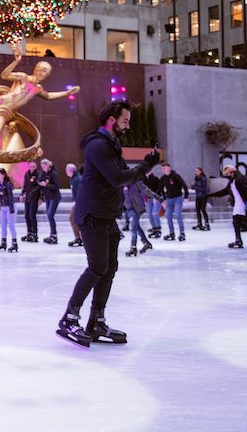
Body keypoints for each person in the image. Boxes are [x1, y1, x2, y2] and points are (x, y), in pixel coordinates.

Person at [56, 101, 160, 348]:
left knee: (109, 267)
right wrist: (146, 166)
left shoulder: (112, 144)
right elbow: (116, 178)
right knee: (97, 267)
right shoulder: (97, 145)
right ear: (111, 120)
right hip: (92, 213)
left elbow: (124, 175)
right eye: (125, 120)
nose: (128, 124)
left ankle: (97, 321)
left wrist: (146, 166)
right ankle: (69, 318)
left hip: (107, 214)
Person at [209, 165, 247, 249]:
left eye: (228, 174)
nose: (227, 176)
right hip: (238, 203)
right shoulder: (232, 182)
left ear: (233, 172)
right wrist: (212, 195)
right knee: (235, 221)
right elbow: (225, 191)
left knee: (237, 221)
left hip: (243, 203)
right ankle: (238, 239)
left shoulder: (239, 180)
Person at [123, 180, 159, 256]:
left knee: (133, 228)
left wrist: (156, 196)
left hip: (136, 208)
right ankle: (146, 243)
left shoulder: (136, 182)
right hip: (128, 208)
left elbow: (146, 190)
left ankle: (133, 247)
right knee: (136, 226)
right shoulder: (122, 184)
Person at [158, 163, 189, 241]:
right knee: (168, 216)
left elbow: (184, 186)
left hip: (178, 198)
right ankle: (171, 233)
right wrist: (162, 199)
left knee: (178, 215)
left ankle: (182, 233)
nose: (163, 170)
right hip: (169, 199)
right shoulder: (163, 178)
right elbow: (159, 189)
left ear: (169, 168)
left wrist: (186, 197)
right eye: (162, 169)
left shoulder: (176, 176)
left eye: (164, 168)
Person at [0, 168, 19, 252]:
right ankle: (3, 242)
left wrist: (11, 209)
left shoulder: (7, 184)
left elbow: (10, 197)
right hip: (3, 207)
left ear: (3, 175)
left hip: (9, 207)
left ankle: (14, 243)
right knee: (3, 225)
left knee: (11, 225)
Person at [38, 159, 61, 245]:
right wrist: (41, 197)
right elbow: (40, 182)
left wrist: (46, 185)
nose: (43, 168)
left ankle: (54, 235)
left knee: (50, 215)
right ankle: (52, 234)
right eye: (42, 167)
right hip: (47, 197)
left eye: (44, 166)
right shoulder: (43, 174)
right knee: (49, 215)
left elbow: (56, 186)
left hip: (54, 197)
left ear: (48, 166)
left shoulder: (54, 173)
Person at [19, 160, 41, 242]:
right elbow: (25, 185)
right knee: (27, 216)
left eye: (33, 166)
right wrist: (22, 194)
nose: (32, 168)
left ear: (36, 167)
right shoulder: (27, 174)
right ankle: (29, 232)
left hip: (34, 198)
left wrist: (40, 197)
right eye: (30, 166)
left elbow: (40, 187)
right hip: (27, 197)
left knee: (32, 215)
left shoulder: (38, 175)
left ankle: (35, 234)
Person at [66, 164, 83, 247]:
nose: (66, 171)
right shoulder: (73, 178)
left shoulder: (77, 179)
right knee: (73, 219)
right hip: (78, 202)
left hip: (81, 203)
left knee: (72, 218)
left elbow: (81, 192)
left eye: (67, 169)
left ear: (71, 170)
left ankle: (80, 238)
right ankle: (78, 238)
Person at [144, 170, 163, 239]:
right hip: (149, 198)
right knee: (149, 213)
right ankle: (154, 228)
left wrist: (156, 197)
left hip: (157, 197)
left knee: (154, 213)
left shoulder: (155, 179)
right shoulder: (144, 179)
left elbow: (160, 188)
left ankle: (158, 229)